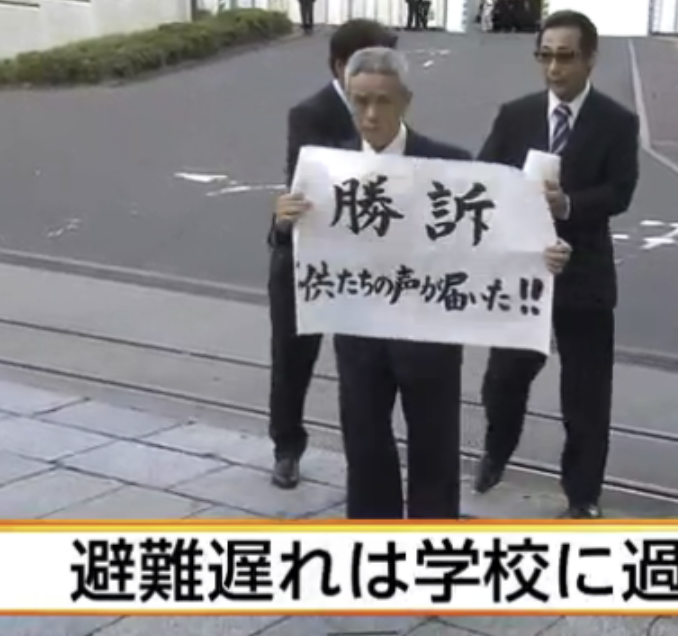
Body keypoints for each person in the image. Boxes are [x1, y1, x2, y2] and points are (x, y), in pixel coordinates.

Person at [273, 47, 573, 519]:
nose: (371, 114)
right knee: (365, 445)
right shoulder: (326, 167)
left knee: (435, 447)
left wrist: (542, 255)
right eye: (360, 101)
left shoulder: (447, 164)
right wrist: (283, 222)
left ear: (405, 101)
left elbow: (493, 239)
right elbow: (295, 244)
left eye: (382, 101)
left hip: (430, 333)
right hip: (359, 331)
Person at [473, 10, 640, 519]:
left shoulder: (617, 122)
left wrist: (567, 205)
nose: (554, 68)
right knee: (504, 376)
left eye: (565, 57)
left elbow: (620, 191)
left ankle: (582, 494)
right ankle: (496, 451)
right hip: (522, 272)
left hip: (584, 271)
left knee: (586, 391)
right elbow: (484, 177)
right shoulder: (516, 115)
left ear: (589, 59)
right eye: (545, 56)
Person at [268, 19, 398, 490]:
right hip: (305, 256)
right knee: (292, 360)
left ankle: (363, 456)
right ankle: (287, 448)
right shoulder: (310, 113)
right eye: (372, 62)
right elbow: (320, 175)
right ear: (342, 65)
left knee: (362, 367)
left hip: (361, 262)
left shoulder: (389, 107)